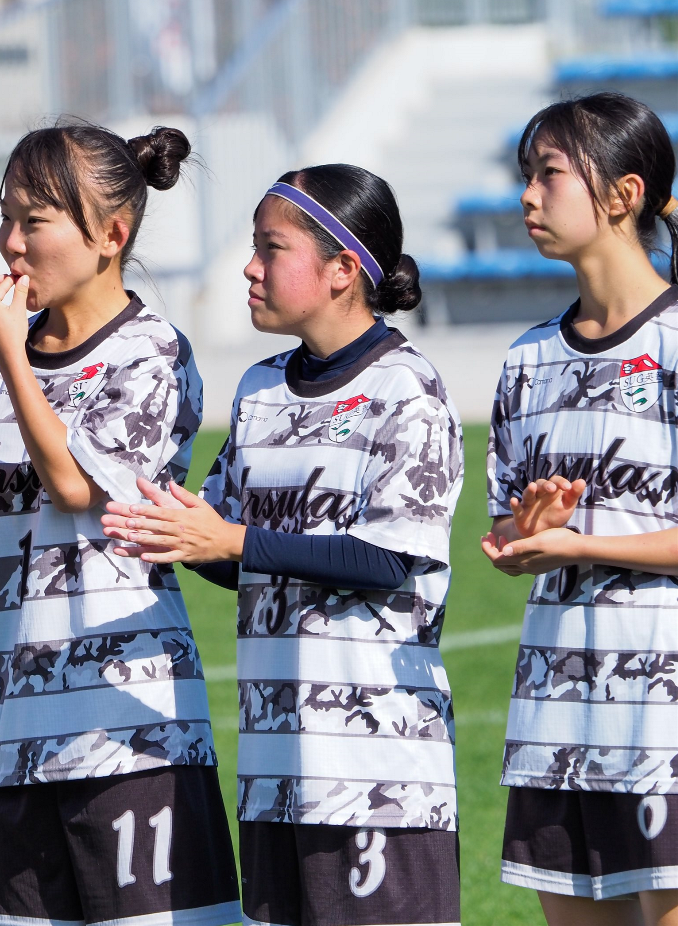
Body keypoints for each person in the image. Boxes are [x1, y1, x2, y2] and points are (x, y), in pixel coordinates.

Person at [0, 122, 240, 926]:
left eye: (35, 221)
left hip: (125, 727)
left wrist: (10, 357)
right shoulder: (4, 360)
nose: (11, 243)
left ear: (111, 234)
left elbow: (73, 484)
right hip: (14, 726)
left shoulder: (151, 352)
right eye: (7, 217)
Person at [103, 164, 463, 926]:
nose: (250, 266)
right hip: (276, 765)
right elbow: (237, 553)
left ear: (342, 270)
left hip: (377, 770)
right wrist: (166, 534)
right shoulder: (260, 388)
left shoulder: (408, 389)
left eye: (272, 248)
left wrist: (227, 537)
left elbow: (390, 558)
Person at [480, 92, 678, 926]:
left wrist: (585, 545)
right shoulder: (527, 359)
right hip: (554, 705)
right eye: (526, 176)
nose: (527, 196)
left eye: (548, 175)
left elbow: (588, 543)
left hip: (662, 703)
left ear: (623, 195)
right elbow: (504, 531)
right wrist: (525, 537)